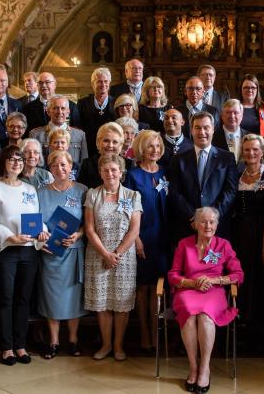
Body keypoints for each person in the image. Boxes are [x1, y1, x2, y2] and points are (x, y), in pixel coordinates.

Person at [168, 207, 244, 392]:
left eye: (211, 222)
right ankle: (193, 367)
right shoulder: (184, 244)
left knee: (205, 316)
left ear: (217, 225)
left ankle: (205, 368)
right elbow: (173, 275)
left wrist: (216, 279)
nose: (207, 225)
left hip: (214, 291)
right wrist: (191, 283)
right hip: (188, 290)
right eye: (203, 221)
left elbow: (238, 275)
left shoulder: (223, 245)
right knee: (188, 312)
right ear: (195, 224)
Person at [0, 147, 49, 366]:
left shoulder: (29, 189)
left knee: (24, 299)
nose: (17, 163)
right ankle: (6, 347)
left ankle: (20, 345)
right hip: (7, 249)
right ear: (3, 162)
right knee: (6, 298)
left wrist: (42, 230)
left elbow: (35, 217)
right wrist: (10, 237)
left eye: (20, 159)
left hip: (28, 249)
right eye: (12, 159)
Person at [83, 154, 143, 361]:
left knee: (121, 304)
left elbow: (134, 230)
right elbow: (89, 229)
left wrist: (115, 254)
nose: (110, 174)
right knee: (102, 304)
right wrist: (105, 254)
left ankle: (118, 346)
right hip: (97, 254)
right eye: (106, 170)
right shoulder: (92, 195)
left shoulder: (133, 196)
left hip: (123, 258)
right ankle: (106, 344)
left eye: (114, 170)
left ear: (121, 172)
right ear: (100, 172)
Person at [228, 134, 264, 347]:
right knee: (242, 277)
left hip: (261, 233)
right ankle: (241, 323)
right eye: (247, 149)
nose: (251, 153)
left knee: (260, 279)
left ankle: (260, 329)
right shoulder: (237, 175)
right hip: (239, 234)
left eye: (255, 150)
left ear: (263, 152)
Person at [36, 150, 88, 359]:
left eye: (64, 165)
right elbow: (35, 220)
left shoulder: (82, 190)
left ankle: (73, 340)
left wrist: (78, 235)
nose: (60, 169)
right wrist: (40, 238)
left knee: (73, 298)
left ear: (71, 167)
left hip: (74, 252)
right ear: (50, 168)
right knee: (52, 298)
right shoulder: (40, 192)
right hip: (50, 253)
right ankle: (54, 341)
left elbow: (88, 223)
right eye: (55, 165)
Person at [123, 130, 170, 352]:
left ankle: (155, 332)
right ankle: (143, 332)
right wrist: (137, 240)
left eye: (158, 146)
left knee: (157, 287)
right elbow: (128, 211)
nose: (155, 150)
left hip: (162, 237)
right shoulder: (133, 175)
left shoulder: (164, 173)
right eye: (150, 146)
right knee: (142, 287)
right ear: (142, 148)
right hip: (141, 237)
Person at [168, 112, 238, 243]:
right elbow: (175, 192)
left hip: (217, 227)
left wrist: (210, 217)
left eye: (206, 127)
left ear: (213, 129)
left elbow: (230, 191)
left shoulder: (226, 158)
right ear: (191, 130)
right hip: (188, 226)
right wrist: (194, 216)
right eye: (197, 128)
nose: (202, 132)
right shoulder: (178, 160)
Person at [29, 94, 89, 167]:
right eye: (55, 108)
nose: (59, 112)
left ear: (68, 112)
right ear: (48, 111)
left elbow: (84, 164)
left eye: (63, 108)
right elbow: (32, 164)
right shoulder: (35, 134)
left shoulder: (79, 135)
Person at [77, 68, 117, 156]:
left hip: (111, 148)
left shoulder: (116, 103)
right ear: (92, 83)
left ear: (109, 83)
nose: (103, 84)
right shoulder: (82, 103)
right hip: (88, 148)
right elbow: (78, 127)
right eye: (99, 81)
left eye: (106, 81)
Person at [78, 122, 125, 188]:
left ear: (121, 145)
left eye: (115, 142)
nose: (110, 145)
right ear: (98, 142)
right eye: (106, 141)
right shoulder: (87, 164)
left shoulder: (128, 164)